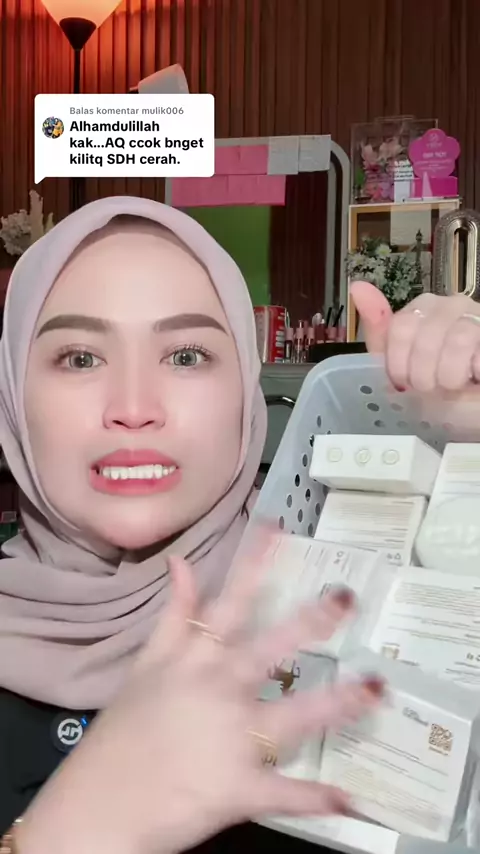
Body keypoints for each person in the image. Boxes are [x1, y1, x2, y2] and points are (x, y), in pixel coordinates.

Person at [0, 193, 478, 853]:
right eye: (80, 357)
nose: (134, 407)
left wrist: (459, 451)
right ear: (13, 396)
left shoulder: (348, 589)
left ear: (245, 392)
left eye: (186, 355)